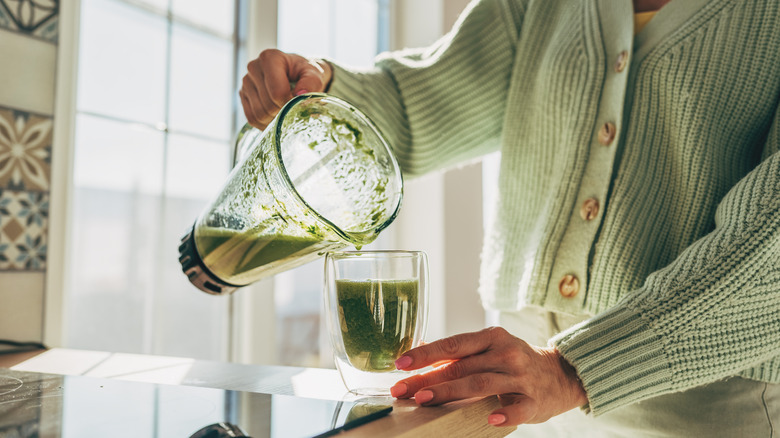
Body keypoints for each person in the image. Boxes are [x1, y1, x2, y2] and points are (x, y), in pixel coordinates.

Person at [240, 0, 780, 436]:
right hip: (516, 395)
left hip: (702, 408)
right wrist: (324, 87)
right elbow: (417, 108)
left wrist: (574, 369)